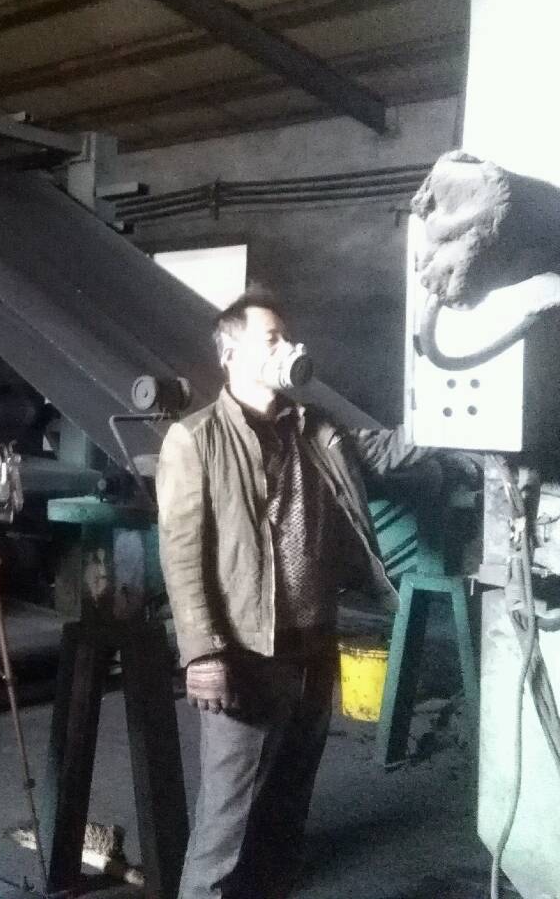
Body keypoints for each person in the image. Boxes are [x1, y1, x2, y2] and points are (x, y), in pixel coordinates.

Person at [157, 288, 430, 899]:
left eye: (289, 336)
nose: (290, 347)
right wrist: (201, 653)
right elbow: (181, 556)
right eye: (273, 338)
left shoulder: (315, 428)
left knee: (287, 804)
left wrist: (452, 420)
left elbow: (387, 450)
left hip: (312, 645)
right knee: (226, 820)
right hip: (246, 653)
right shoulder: (195, 439)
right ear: (231, 354)